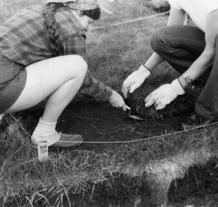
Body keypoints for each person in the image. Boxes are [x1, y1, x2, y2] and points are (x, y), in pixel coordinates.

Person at [0, 0, 129, 148]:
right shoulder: (71, 29)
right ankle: (45, 134)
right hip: (3, 87)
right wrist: (110, 95)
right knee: (77, 66)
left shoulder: (42, 10)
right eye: (89, 22)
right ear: (79, 12)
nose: (89, 28)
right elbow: (84, 79)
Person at [122, 0, 218, 128]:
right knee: (161, 38)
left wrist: (176, 87)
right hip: (216, 43)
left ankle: (208, 112)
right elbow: (170, 32)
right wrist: (144, 69)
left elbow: (210, 52)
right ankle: (212, 83)